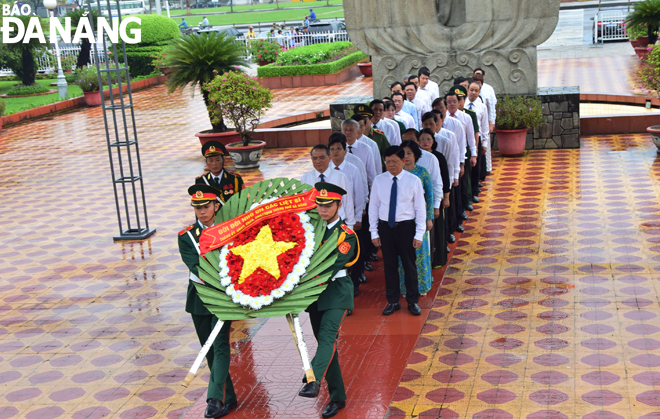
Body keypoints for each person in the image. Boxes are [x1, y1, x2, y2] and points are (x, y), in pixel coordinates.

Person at [298, 182, 358, 419]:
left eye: (328, 205)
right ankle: (337, 397)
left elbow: (331, 265)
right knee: (328, 346)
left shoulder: (347, 235)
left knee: (326, 337)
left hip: (337, 293)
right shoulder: (311, 230)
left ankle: (312, 380)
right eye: (319, 205)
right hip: (315, 296)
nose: (323, 209)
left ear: (338, 205)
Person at [179, 185, 237, 419]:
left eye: (205, 207)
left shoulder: (228, 231)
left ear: (216, 206)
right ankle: (229, 397)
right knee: (210, 349)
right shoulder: (186, 237)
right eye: (197, 207)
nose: (201, 212)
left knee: (220, 344)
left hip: (223, 297)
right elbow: (195, 266)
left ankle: (214, 399)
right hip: (200, 297)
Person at [369, 146, 426, 316]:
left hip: (406, 227)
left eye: (394, 161)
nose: (390, 165)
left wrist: (419, 234)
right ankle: (393, 301)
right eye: (387, 161)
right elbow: (373, 207)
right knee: (390, 266)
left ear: (403, 161)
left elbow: (420, 209)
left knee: (409, 265)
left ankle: (412, 301)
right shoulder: (379, 180)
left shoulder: (413, 180)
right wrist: (374, 232)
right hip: (386, 227)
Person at [328, 135, 367, 298]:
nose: (335, 152)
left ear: (345, 151)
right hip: (330, 222)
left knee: (352, 253)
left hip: (348, 220)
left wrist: (357, 218)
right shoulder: (326, 170)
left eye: (339, 148)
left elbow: (359, 195)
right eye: (332, 149)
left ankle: (355, 282)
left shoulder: (353, 169)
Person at [398, 140, 434, 295]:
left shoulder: (423, 172)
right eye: (403, 153)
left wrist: (429, 217)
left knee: (420, 253)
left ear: (416, 155)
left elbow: (430, 196)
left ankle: (422, 286)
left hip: (419, 219)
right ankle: (405, 288)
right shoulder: (396, 174)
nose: (406, 157)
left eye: (409, 153)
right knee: (403, 254)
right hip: (402, 221)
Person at [417, 126, 452, 268]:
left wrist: (445, 197)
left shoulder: (437, 157)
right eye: (422, 139)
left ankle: (438, 257)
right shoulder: (414, 158)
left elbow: (443, 179)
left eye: (428, 139)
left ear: (433, 141)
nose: (425, 142)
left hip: (433, 199)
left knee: (436, 230)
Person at [301, 144, 356, 228]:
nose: (318, 161)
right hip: (315, 225)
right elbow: (304, 204)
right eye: (314, 158)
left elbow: (348, 202)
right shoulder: (305, 178)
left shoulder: (340, 176)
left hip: (337, 224)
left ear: (329, 157)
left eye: (322, 157)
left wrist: (350, 225)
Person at [446, 87, 477, 214]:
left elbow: (470, 137)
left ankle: (466, 203)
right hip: (448, 155)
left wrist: (473, 154)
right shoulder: (443, 119)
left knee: (464, 182)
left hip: (462, 153)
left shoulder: (466, 117)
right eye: (449, 102)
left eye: (454, 101)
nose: (452, 104)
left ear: (459, 102)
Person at [195, 141, 244, 206]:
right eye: (210, 160)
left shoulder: (235, 179)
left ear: (223, 160)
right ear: (206, 162)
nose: (214, 163)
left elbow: (242, 202)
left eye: (217, 160)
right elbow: (199, 207)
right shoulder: (201, 181)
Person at [466, 80, 489, 198]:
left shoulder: (482, 107)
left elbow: (484, 127)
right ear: (467, 90)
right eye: (471, 90)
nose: (473, 93)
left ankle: (474, 191)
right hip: (464, 139)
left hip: (477, 139)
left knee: (476, 167)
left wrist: (484, 143)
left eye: (476, 91)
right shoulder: (462, 105)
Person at [341, 119, 377, 187]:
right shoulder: (338, 150)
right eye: (345, 130)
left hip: (361, 186)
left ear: (358, 131)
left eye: (351, 130)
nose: (348, 132)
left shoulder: (366, 149)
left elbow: (371, 173)